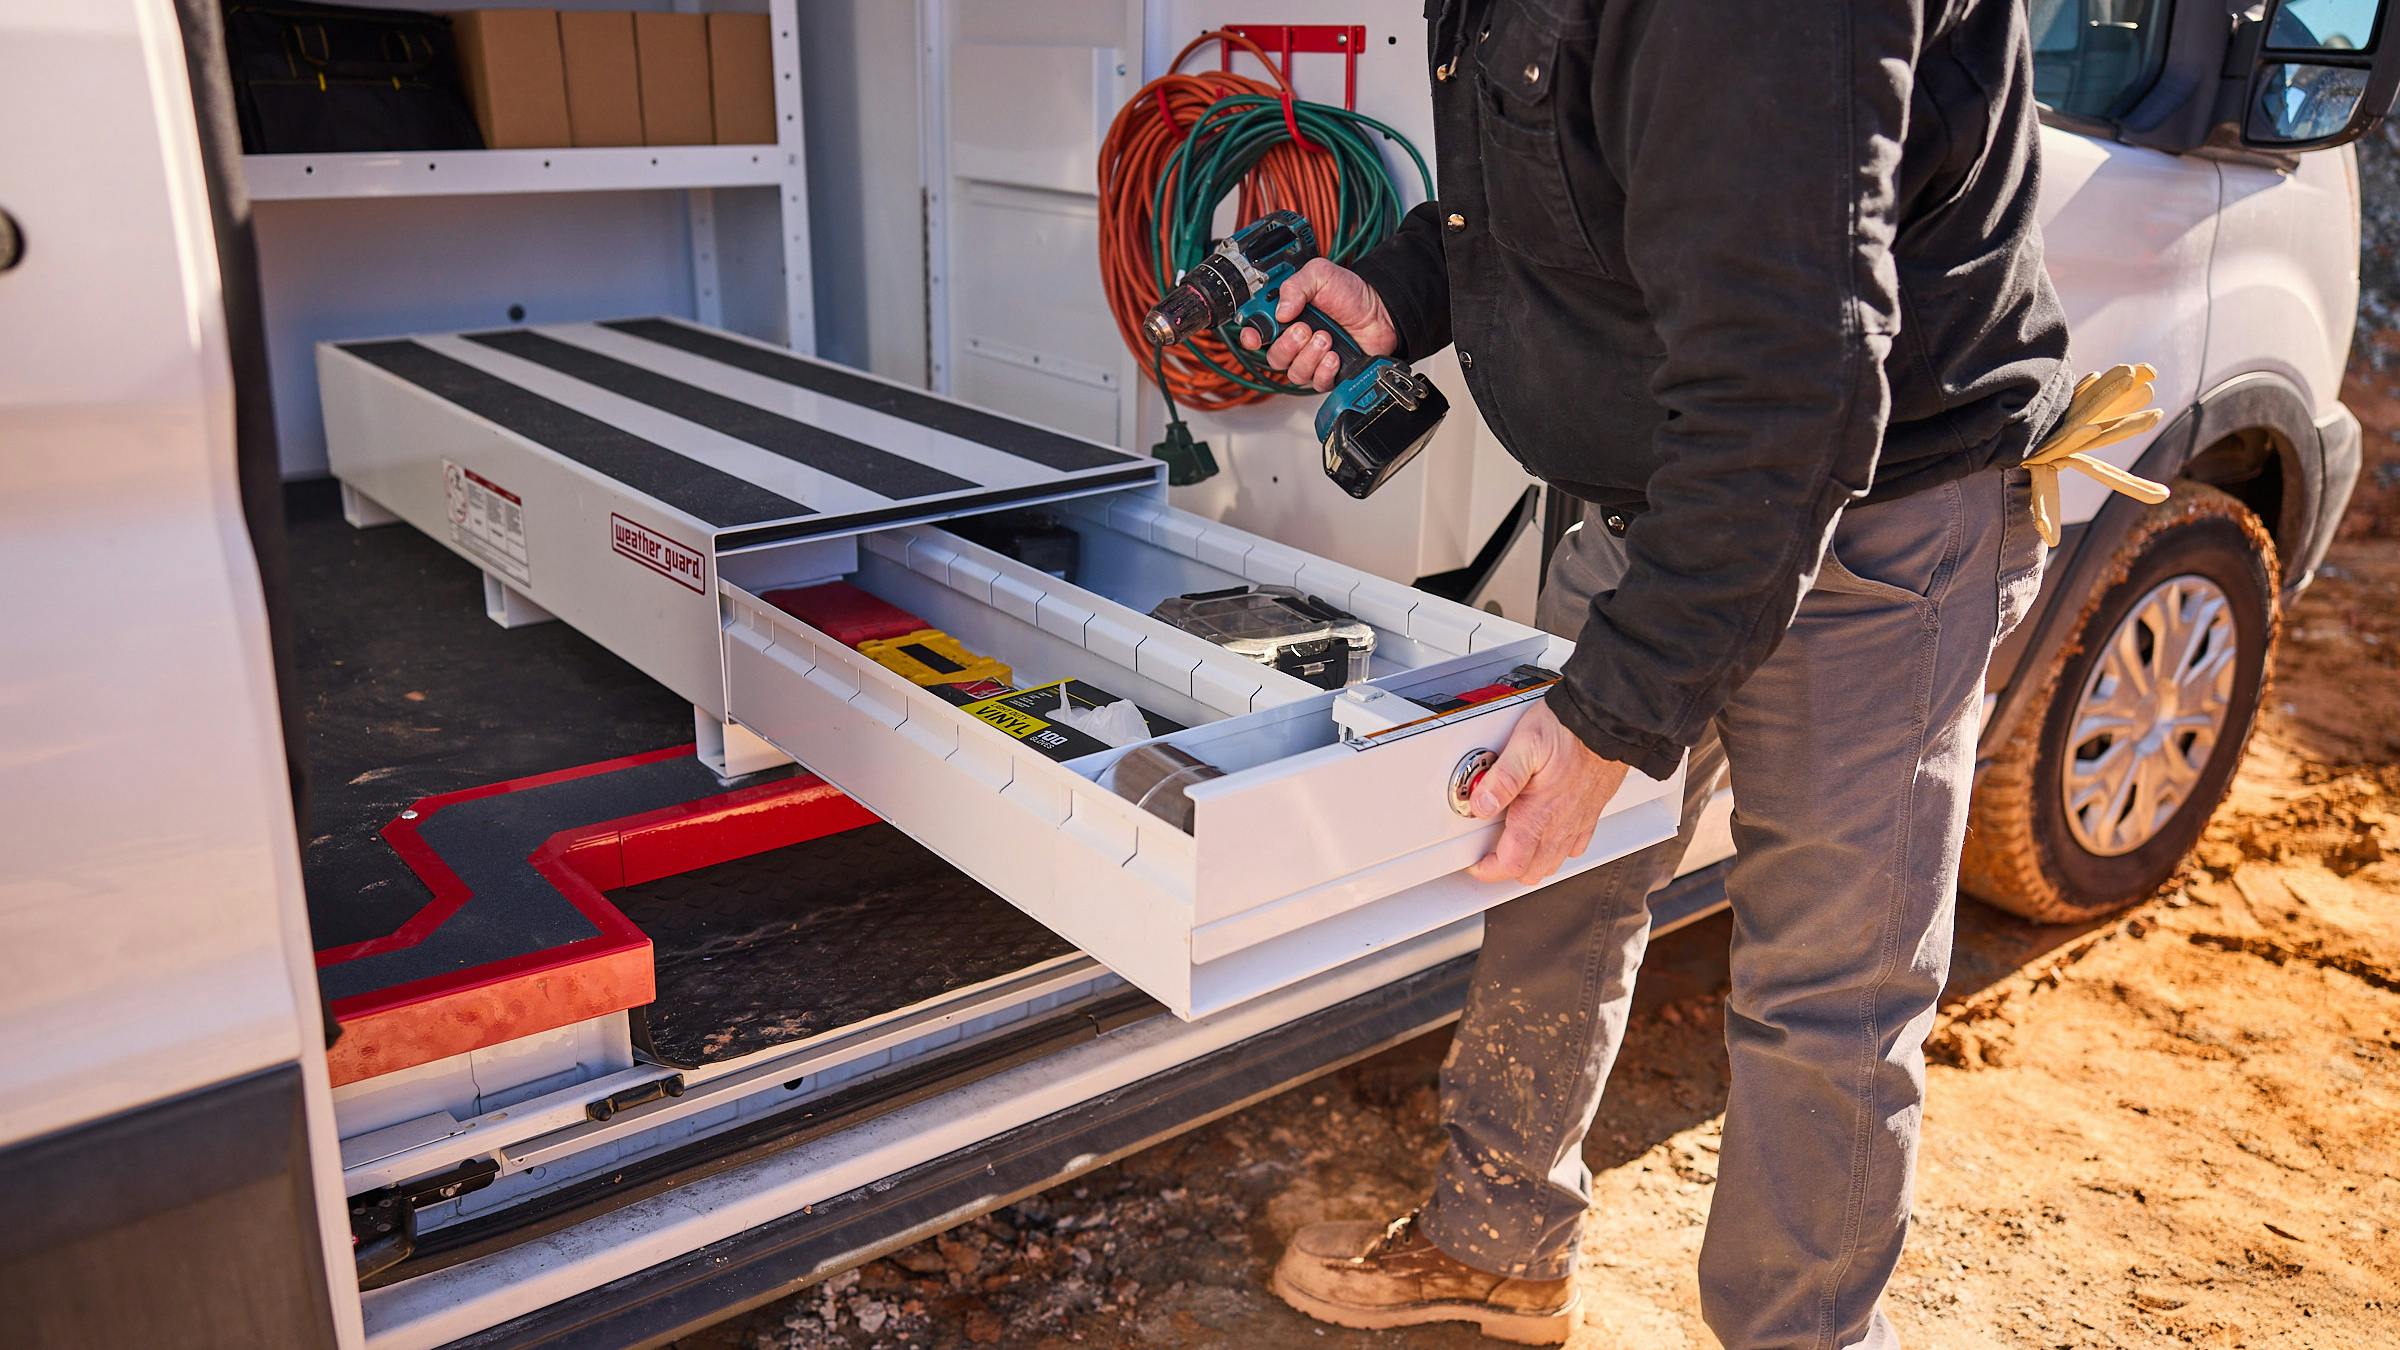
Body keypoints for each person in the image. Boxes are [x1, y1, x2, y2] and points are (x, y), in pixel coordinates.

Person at [1247, 2, 2099, 1345]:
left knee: (1826, 990)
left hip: (1868, 515)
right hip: (1667, 485)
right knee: (1551, 874)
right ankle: (1500, 1244)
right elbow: (1574, 173)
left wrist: (1615, 708)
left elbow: (1790, 386)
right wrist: (1402, 290)